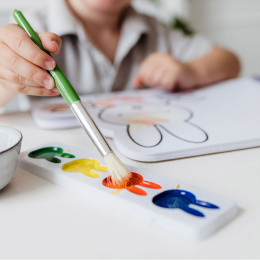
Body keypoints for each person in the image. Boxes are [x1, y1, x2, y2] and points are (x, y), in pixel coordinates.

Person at [0, 0, 240, 112]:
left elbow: (229, 61)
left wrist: (191, 71)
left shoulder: (155, 30)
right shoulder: (30, 27)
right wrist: (6, 78)